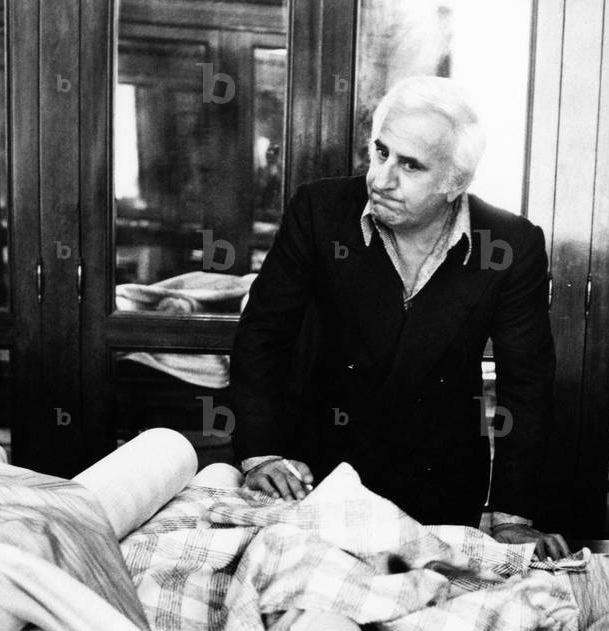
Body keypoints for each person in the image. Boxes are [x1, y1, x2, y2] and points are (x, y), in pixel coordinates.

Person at [229, 76, 567, 559]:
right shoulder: (319, 211)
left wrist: (511, 516)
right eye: (380, 152)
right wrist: (261, 453)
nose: (381, 179)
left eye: (410, 165)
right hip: (318, 478)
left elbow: (526, 386)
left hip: (440, 487)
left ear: (455, 182)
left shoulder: (510, 245)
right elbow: (263, 334)